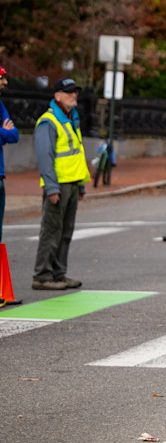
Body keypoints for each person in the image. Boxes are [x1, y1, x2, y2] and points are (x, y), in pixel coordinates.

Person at [32, 78, 89, 291]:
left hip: (72, 184)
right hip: (58, 186)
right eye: (69, 92)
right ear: (57, 96)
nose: (74, 95)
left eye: (75, 91)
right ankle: (42, 275)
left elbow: (76, 154)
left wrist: (81, 185)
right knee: (51, 231)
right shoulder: (48, 122)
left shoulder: (71, 118)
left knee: (65, 232)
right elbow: (45, 158)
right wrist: (51, 187)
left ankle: (58, 273)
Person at [0, 65, 19, 245]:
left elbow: (14, 135)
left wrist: (3, 134)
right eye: (1, 78)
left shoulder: (0, 106)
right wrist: (3, 132)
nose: (5, 82)